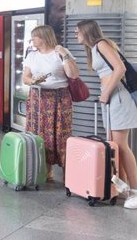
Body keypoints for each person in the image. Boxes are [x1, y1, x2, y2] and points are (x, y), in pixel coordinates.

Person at [76, 19, 137, 209]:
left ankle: (135, 190)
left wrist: (105, 92)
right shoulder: (95, 48)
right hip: (111, 99)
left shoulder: (101, 44)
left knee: (120, 145)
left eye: (77, 31)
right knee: (113, 145)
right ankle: (124, 189)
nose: (75, 35)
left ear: (86, 31)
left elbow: (120, 68)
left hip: (118, 97)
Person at [22, 25, 79, 182]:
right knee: (39, 132)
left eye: (35, 37)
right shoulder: (32, 55)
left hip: (59, 98)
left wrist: (65, 54)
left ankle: (69, 171)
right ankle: (46, 171)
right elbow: (25, 78)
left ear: (44, 37)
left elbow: (73, 74)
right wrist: (33, 80)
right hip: (37, 97)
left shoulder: (60, 53)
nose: (32, 40)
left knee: (61, 132)